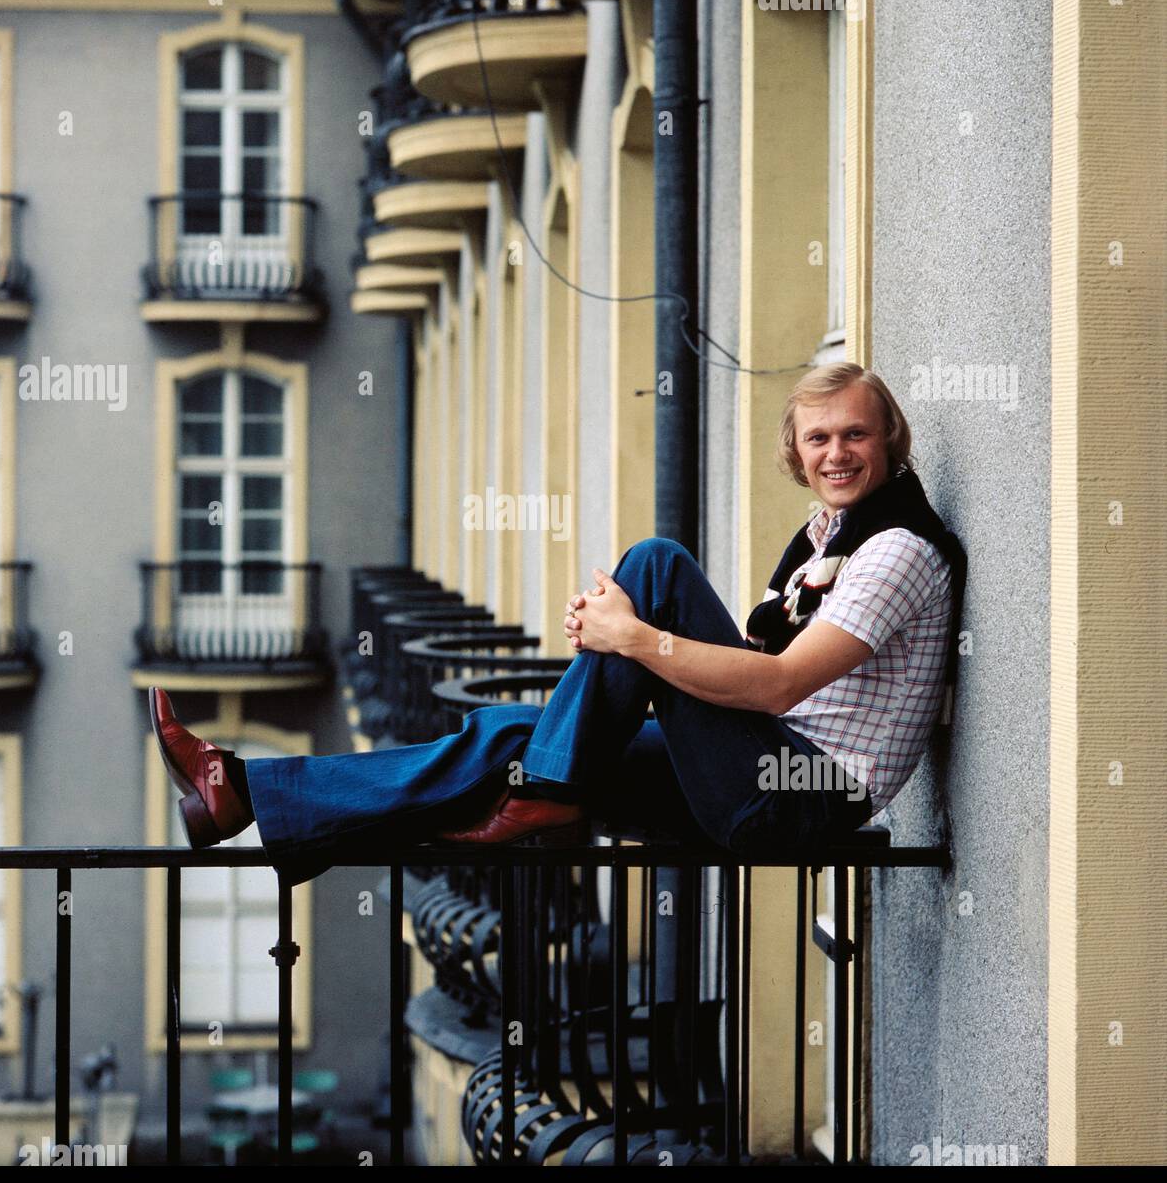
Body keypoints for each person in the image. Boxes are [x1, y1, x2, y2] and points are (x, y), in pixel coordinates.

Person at [150, 362, 967, 886]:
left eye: (855, 434)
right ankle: (251, 795)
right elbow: (752, 671)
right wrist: (623, 647)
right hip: (764, 770)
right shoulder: (823, 543)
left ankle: (552, 788)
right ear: (795, 449)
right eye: (818, 437)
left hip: (797, 795)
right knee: (508, 737)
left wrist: (631, 638)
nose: (836, 452)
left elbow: (780, 683)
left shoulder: (895, 549)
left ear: (890, 443)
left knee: (653, 569)